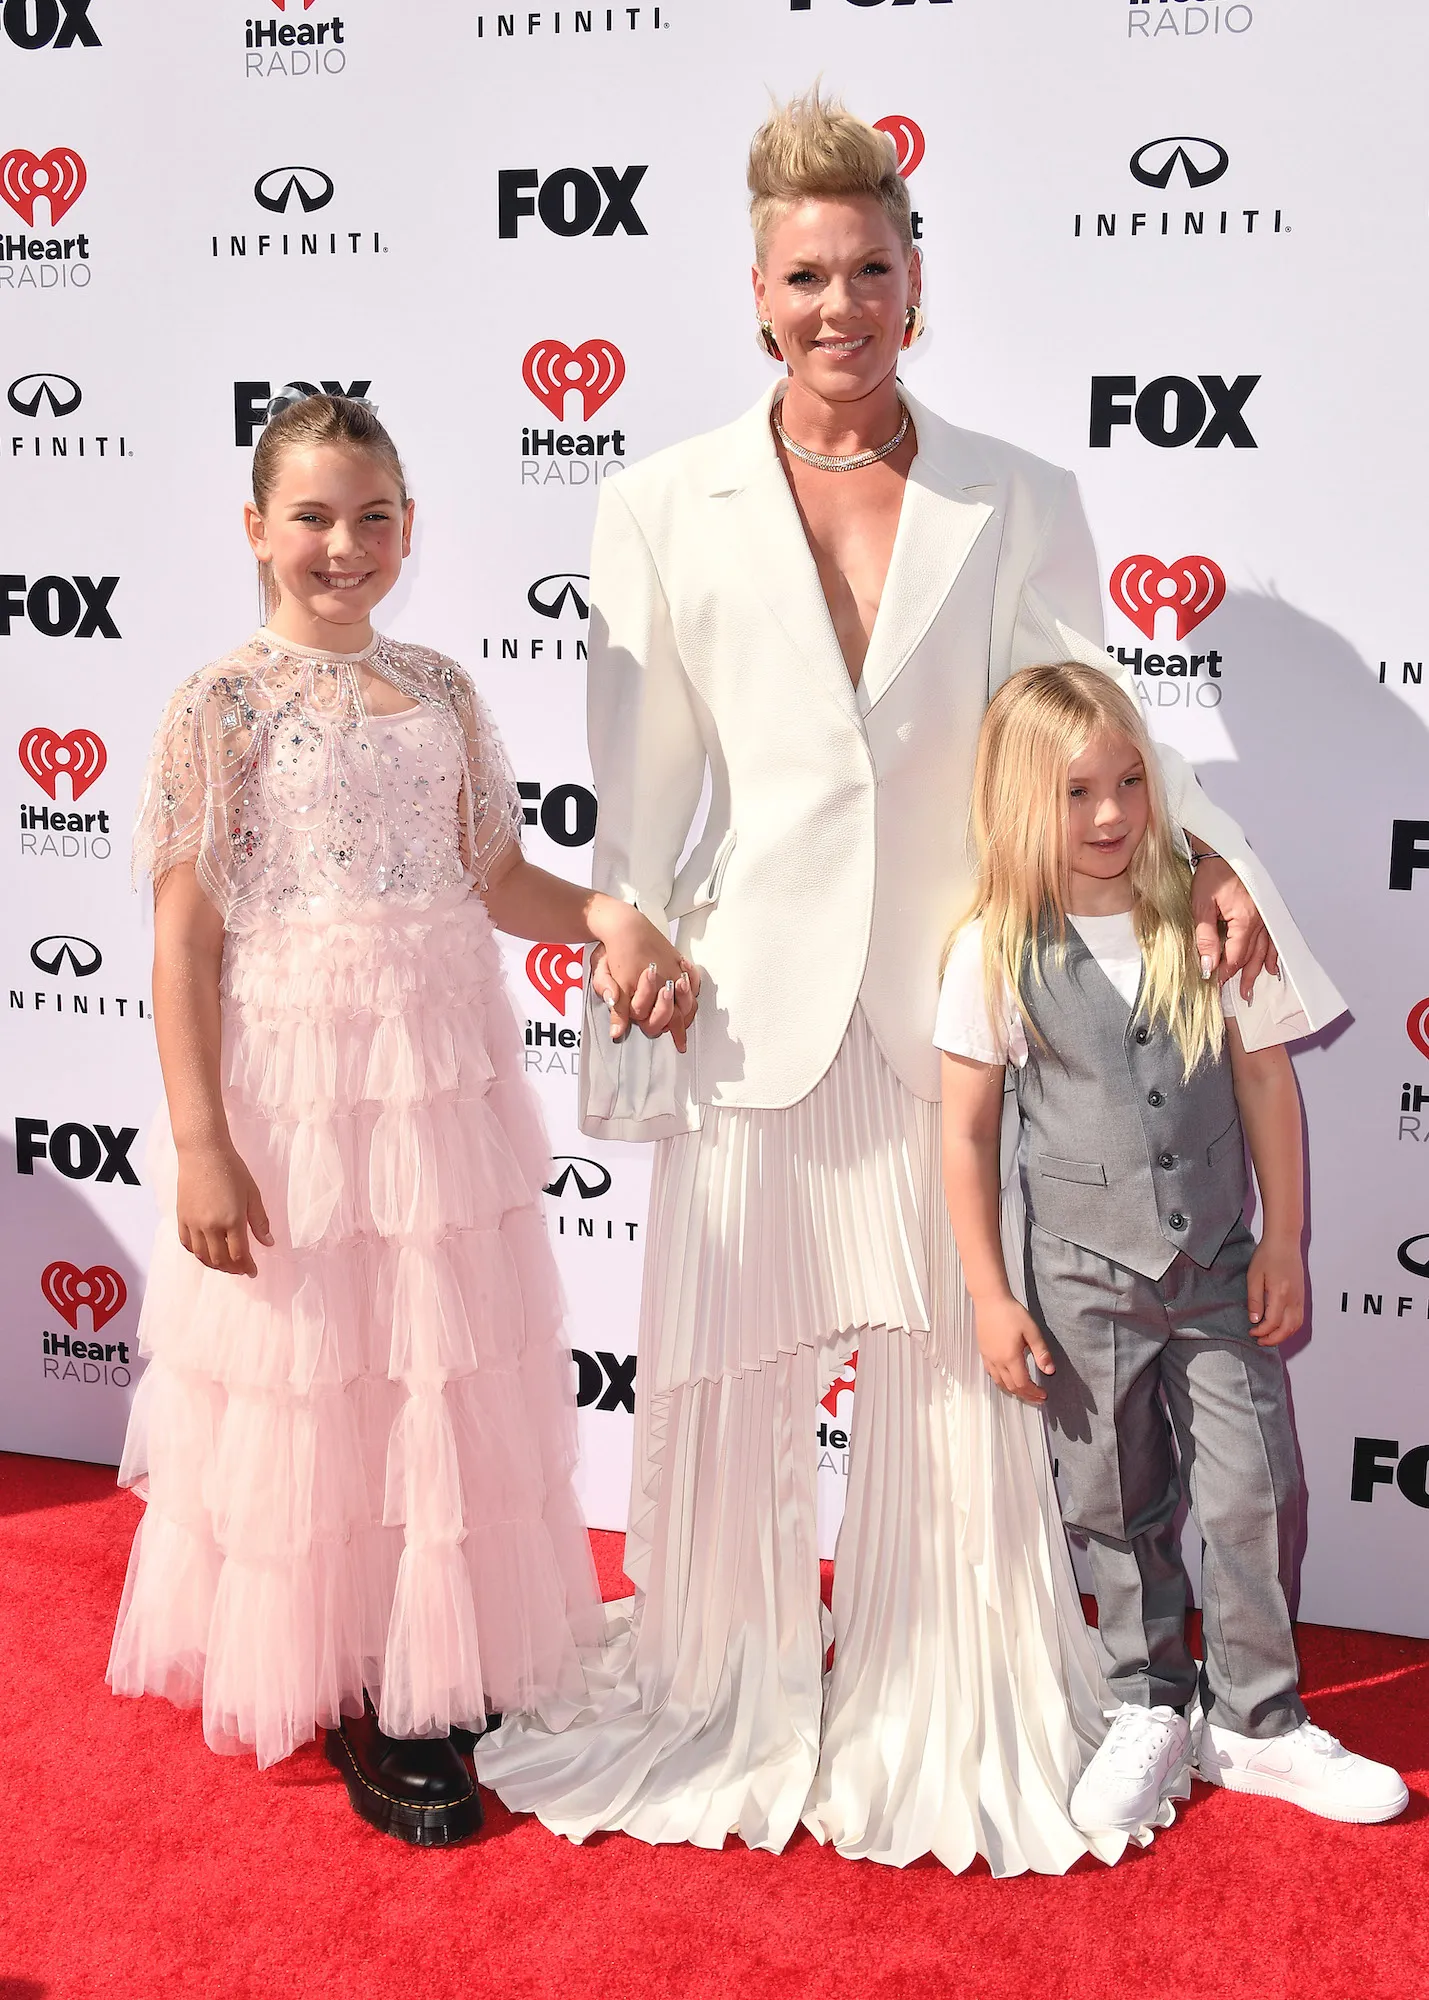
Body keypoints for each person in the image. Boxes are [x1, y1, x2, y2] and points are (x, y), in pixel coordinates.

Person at [478, 93, 1344, 1872]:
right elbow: (634, 773)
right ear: (754, 288)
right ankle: (723, 1667)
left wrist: (1210, 865)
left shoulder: (1014, 490)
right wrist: (624, 918)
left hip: (959, 1001)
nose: (836, 304)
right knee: (727, 1377)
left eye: (868, 269)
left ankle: (944, 1679)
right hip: (742, 997)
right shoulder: (654, 502)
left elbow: (1083, 720)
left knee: (963, 1377)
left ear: (911, 282)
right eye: (804, 273)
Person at [107, 394, 693, 1847]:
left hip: (441, 1073)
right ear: (255, 531)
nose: (343, 545)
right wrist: (198, 1140)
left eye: (373, 517)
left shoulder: (437, 686)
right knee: (327, 1368)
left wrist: (606, 911)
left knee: (435, 1362)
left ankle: (437, 1649)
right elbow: (184, 942)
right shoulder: (220, 706)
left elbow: (497, 881)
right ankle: (371, 1674)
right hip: (301, 1085)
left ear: (410, 530)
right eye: (310, 516)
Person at [936, 662, 1408, 1832]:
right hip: (1078, 1281)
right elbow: (966, 1129)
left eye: (1130, 780)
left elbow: (1262, 1077)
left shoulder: (1209, 918)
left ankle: (1258, 1722)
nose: (1110, 813)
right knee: (1113, 1497)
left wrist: (1282, 1237)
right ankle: (1144, 1698)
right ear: (1016, 803)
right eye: (1077, 790)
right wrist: (990, 1292)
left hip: (1212, 1266)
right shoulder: (992, 947)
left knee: (1255, 1485)